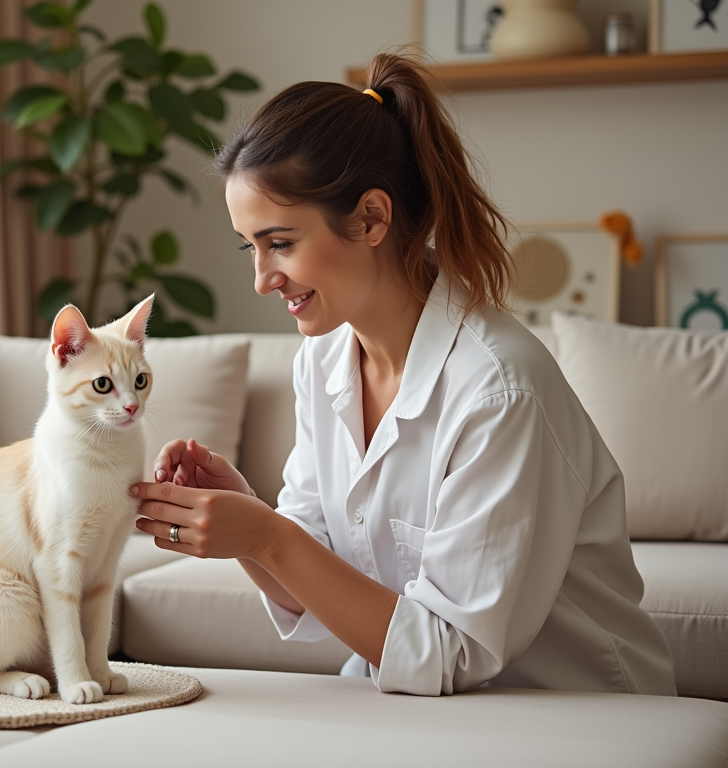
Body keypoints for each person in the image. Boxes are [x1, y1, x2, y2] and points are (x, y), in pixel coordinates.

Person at [128, 52, 676, 696]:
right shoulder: (324, 358)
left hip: (573, 714)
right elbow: (315, 582)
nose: (261, 279)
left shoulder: (498, 389)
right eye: (251, 247)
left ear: (370, 218)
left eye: (280, 242)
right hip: (422, 706)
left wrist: (269, 537)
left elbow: (451, 654)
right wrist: (246, 522)